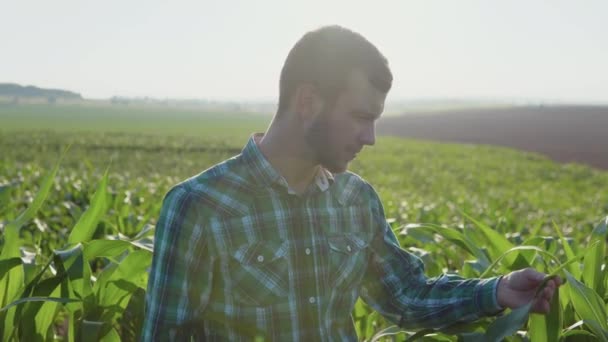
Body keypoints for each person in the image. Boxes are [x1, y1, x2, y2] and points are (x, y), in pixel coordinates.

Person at [141, 25, 560, 341]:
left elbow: (405, 295)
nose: (370, 137)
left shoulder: (356, 200)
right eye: (361, 117)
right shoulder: (201, 206)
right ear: (307, 102)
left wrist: (499, 291)